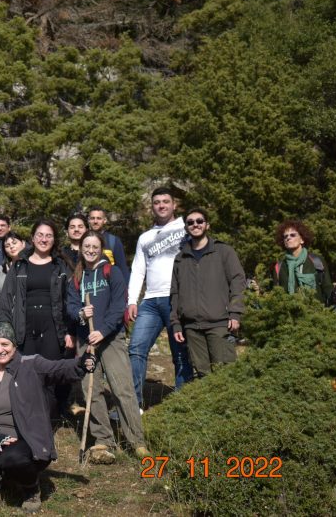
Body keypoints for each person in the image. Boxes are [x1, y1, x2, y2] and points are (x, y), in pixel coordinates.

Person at [0, 322, 94, 512]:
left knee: (12, 458)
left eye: (5, 344)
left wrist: (81, 363)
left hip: (27, 438)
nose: (0, 350)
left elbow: (58, 368)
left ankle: (31, 488)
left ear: (14, 345)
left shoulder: (31, 364)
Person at [67, 231, 148, 464]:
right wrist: (80, 313)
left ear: (100, 248)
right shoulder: (77, 277)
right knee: (91, 391)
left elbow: (118, 305)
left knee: (122, 389)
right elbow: (70, 305)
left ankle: (137, 440)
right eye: (86, 246)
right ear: (81, 248)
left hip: (111, 338)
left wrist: (102, 331)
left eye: (94, 246)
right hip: (86, 341)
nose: (90, 250)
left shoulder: (112, 272)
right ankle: (103, 438)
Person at [0, 219, 75, 420]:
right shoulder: (19, 265)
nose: (44, 239)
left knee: (51, 373)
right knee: (27, 374)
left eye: (49, 235)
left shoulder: (62, 266)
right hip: (24, 326)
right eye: (40, 234)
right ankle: (29, 419)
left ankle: (49, 419)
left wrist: (70, 331)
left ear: (54, 239)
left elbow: (72, 300)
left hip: (53, 325)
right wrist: (5, 333)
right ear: (32, 238)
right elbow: (5, 299)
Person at [127, 187, 193, 410]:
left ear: (174, 205)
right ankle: (133, 405)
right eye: (157, 202)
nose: (162, 205)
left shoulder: (186, 227)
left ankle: (183, 405)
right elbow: (138, 270)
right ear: (152, 206)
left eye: (166, 201)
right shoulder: (145, 237)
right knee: (136, 349)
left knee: (180, 353)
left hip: (178, 299)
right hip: (151, 302)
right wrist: (132, 300)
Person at [169, 209, 245, 378]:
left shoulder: (224, 251)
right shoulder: (181, 258)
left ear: (207, 225)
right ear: (186, 228)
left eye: (199, 221)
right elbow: (175, 293)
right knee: (203, 375)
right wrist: (176, 323)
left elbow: (238, 281)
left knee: (225, 373)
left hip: (220, 324)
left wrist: (235, 312)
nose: (195, 224)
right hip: (191, 328)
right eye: (190, 222)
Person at [270, 219, 335, 305]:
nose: (288, 238)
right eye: (285, 236)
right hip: (289, 317)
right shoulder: (279, 267)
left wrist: (334, 295)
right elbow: (276, 297)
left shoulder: (316, 261)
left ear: (302, 240)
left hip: (316, 314)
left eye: (293, 235)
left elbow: (327, 289)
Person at [0, 232, 27, 329]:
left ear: (23, 243)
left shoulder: (33, 267)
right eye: (7, 245)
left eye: (14, 243)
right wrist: (10, 313)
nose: (11, 247)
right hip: (5, 321)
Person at [87, 206, 130, 279]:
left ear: (105, 220)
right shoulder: (84, 241)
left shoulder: (113, 241)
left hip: (110, 285)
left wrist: (126, 288)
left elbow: (123, 269)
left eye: (99, 218)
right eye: (92, 218)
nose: (95, 221)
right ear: (89, 220)